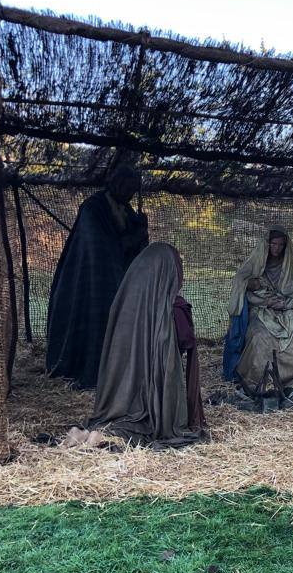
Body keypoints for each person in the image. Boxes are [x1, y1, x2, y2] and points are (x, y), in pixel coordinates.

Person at [79, 243, 205, 447]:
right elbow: (186, 341)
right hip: (148, 399)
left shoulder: (125, 303)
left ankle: (96, 434)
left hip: (117, 399)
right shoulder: (172, 308)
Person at [46, 165, 149, 388]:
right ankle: (89, 370)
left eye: (134, 190)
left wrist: (141, 231)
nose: (130, 194)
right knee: (97, 321)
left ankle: (115, 369)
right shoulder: (93, 208)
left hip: (117, 279)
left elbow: (133, 248)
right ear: (116, 184)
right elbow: (101, 248)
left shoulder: (127, 211)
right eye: (128, 188)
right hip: (91, 281)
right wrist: (134, 237)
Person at [224, 226, 293, 395]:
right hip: (262, 310)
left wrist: (286, 304)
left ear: (286, 246)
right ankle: (258, 375)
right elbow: (240, 281)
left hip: (289, 311)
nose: (277, 248)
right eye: (273, 244)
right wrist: (257, 291)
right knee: (259, 336)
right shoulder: (256, 265)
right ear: (267, 244)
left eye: (281, 245)